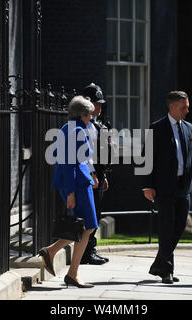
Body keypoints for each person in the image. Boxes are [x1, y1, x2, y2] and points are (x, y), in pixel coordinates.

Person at [141, 91, 192, 284]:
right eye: (183, 107)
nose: (188, 110)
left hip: (183, 186)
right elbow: (147, 158)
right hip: (163, 187)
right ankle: (166, 270)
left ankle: (158, 264)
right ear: (172, 107)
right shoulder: (157, 128)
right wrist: (147, 186)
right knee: (166, 226)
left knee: (178, 227)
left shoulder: (189, 128)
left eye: (187, 106)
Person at [38, 96, 97, 288]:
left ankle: (54, 254)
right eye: (89, 115)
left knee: (85, 227)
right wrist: (71, 193)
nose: (91, 119)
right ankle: (69, 270)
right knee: (88, 227)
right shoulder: (78, 130)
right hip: (78, 185)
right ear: (82, 114)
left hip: (76, 182)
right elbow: (70, 163)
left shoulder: (66, 128)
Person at [80, 83, 112, 265]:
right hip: (87, 176)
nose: (99, 107)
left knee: (96, 213)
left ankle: (90, 248)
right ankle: (86, 251)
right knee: (89, 215)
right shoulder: (81, 125)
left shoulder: (97, 126)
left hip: (97, 176)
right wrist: (92, 174)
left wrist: (104, 175)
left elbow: (101, 154)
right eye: (95, 103)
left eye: (100, 104)